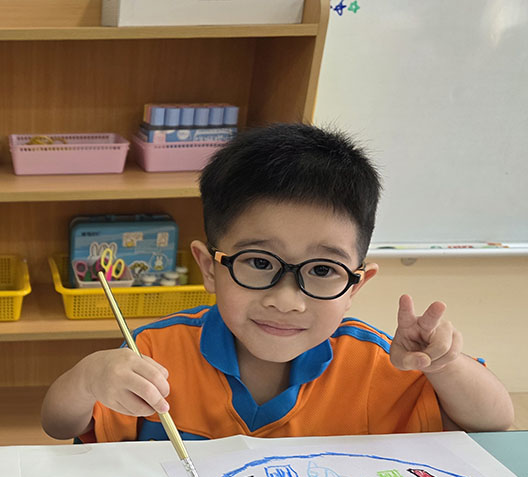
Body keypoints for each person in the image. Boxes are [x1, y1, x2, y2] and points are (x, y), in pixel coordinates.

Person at [41, 123, 514, 443]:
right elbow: (58, 426)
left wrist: (445, 365)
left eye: (323, 270)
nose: (287, 301)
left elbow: (495, 423)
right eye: (258, 262)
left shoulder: (378, 364)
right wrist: (87, 378)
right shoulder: (154, 351)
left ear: (356, 284)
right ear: (209, 268)